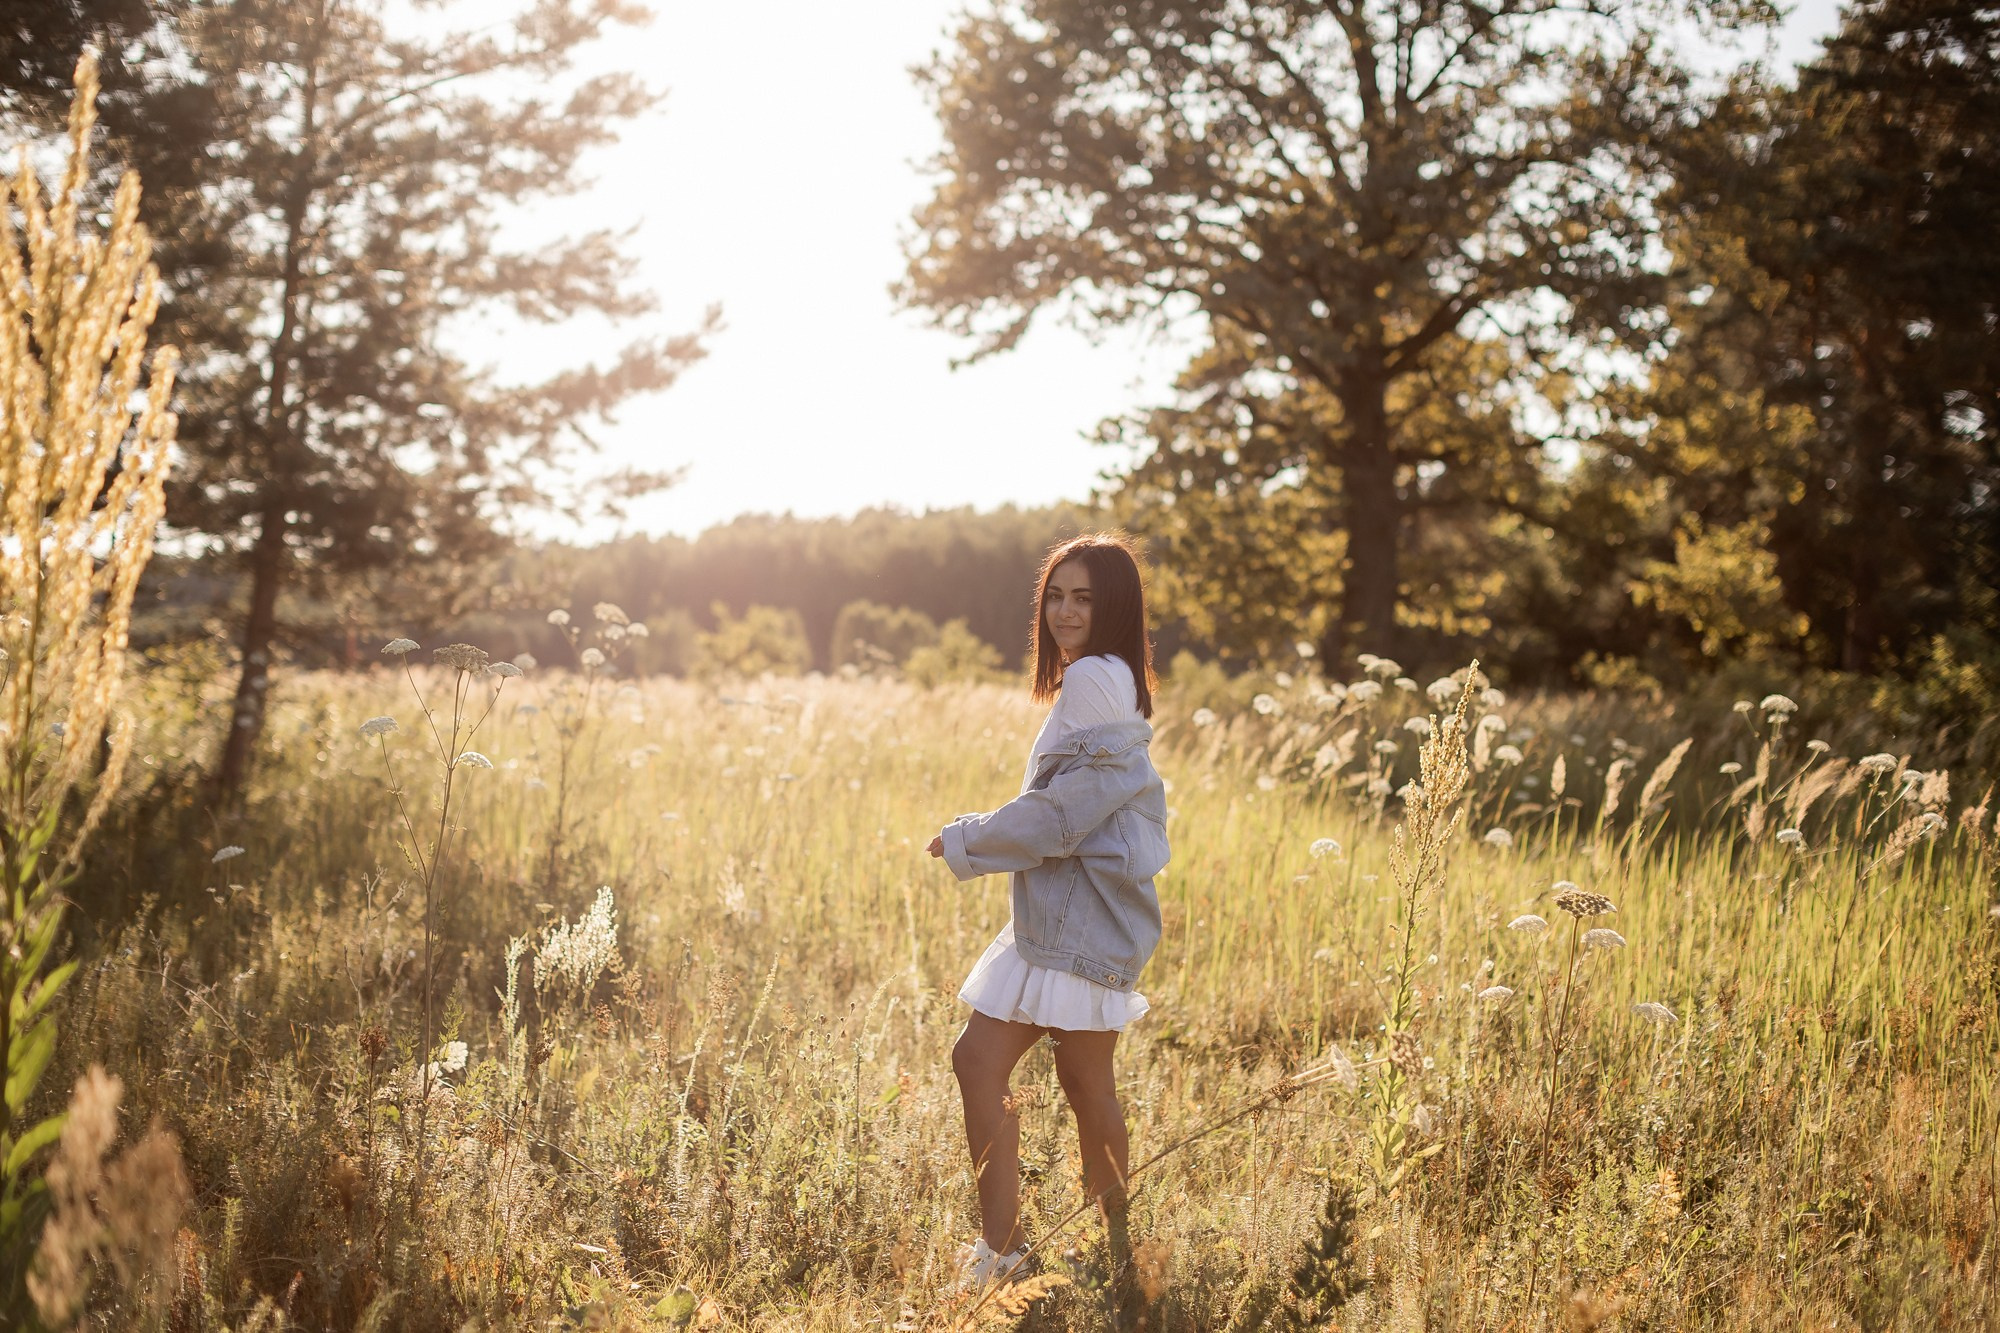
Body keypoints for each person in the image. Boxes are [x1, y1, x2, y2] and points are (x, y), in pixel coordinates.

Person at [926, 532, 1170, 1291]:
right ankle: (1101, 1254)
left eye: (1084, 597)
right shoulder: (1109, 676)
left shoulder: (1095, 677)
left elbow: (1062, 816)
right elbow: (1070, 809)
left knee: (1023, 1069)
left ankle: (1015, 1253)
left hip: (1076, 919)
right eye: (1055, 595)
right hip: (1071, 911)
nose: (1065, 610)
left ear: (1116, 606)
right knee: (1077, 1082)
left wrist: (969, 838)